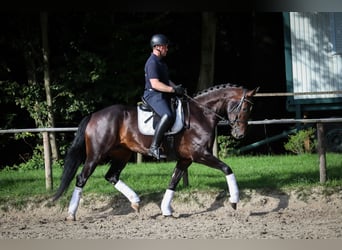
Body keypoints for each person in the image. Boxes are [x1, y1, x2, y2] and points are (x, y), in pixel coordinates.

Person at [143, 34, 185, 160]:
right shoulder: (152, 63)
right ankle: (154, 147)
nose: (167, 49)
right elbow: (155, 84)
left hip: (162, 93)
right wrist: (173, 90)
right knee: (168, 115)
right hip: (153, 94)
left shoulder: (161, 63)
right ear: (158, 47)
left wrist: (177, 88)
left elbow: (166, 81)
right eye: (165, 46)